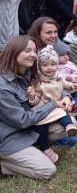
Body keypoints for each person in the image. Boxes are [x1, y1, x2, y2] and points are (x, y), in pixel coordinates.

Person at [28, 18, 77, 133]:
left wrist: (68, 93)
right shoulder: (32, 55)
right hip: (43, 100)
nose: (54, 35)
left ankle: (75, 123)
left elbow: (58, 78)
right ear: (38, 33)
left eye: (55, 32)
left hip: (61, 93)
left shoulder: (57, 48)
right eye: (49, 32)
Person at [0, 36, 61, 180]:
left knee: (66, 124)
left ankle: (34, 148)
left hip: (27, 128)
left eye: (35, 50)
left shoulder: (28, 72)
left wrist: (65, 98)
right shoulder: (2, 86)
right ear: (14, 52)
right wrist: (52, 105)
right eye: (28, 50)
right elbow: (22, 120)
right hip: (8, 138)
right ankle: (4, 164)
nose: (33, 54)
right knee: (47, 170)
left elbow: (54, 82)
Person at [28, 46, 77, 163]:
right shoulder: (38, 81)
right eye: (45, 65)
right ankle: (45, 148)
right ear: (39, 66)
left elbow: (65, 84)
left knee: (62, 113)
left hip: (56, 106)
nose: (49, 68)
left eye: (53, 64)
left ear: (57, 65)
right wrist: (32, 96)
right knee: (42, 128)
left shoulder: (58, 77)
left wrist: (72, 86)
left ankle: (69, 126)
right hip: (42, 109)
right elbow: (35, 101)